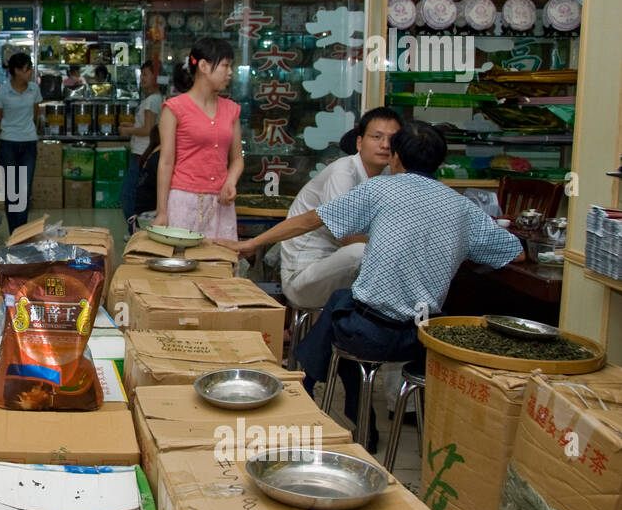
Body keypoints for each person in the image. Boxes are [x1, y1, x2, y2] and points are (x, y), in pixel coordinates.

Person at [218, 120, 523, 449]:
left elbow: (310, 220)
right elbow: (514, 254)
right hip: (422, 342)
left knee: (341, 307)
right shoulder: (464, 208)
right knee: (344, 308)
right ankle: (348, 411)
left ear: (395, 159)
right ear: (439, 163)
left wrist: (253, 244)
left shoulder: (381, 189)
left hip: (370, 336)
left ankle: (305, 390)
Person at [280, 107, 402, 309]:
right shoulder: (343, 172)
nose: (385, 145)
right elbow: (347, 237)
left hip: (343, 272)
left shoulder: (389, 175)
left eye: (393, 139)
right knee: (361, 252)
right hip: (304, 276)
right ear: (360, 142)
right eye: (377, 137)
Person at [154, 37, 242, 238]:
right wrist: (162, 211)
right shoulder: (174, 109)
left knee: (220, 263)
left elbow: (237, 159)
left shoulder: (232, 110)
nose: (230, 72)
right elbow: (166, 163)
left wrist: (231, 181)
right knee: (183, 262)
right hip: (183, 201)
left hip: (221, 203)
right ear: (203, 66)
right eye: (226, 65)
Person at [0, 52, 42, 234]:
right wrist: (11, 127)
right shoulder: (2, 92)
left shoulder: (34, 89)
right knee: (12, 191)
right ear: (17, 71)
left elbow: (35, 116)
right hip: (8, 145)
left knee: (24, 191)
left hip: (29, 144)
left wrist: (24, 128)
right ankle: (14, 231)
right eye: (28, 69)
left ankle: (22, 232)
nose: (31, 72)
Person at [119, 60, 163, 227]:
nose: (142, 78)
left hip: (142, 153)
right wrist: (132, 126)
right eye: (141, 75)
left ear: (156, 77)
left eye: (146, 74)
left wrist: (128, 131)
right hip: (144, 152)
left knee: (129, 195)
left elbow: (148, 129)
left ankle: (135, 230)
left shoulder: (152, 101)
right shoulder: (156, 99)